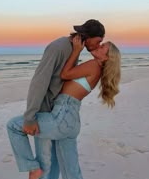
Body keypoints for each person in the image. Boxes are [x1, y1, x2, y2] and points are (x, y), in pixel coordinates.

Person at [7, 19, 106, 179]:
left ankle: (33, 168)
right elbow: (39, 81)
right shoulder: (59, 47)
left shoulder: (75, 49)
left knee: (55, 164)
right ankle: (32, 167)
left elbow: (64, 79)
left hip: (57, 114)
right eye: (99, 41)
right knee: (47, 164)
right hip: (46, 110)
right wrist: (30, 116)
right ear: (88, 36)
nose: (99, 45)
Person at [22, 34, 121, 179]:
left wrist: (76, 51)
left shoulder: (94, 65)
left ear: (106, 57)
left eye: (102, 46)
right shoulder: (96, 68)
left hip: (63, 114)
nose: (98, 46)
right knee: (71, 170)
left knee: (13, 126)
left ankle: (32, 167)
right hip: (71, 118)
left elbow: (65, 74)